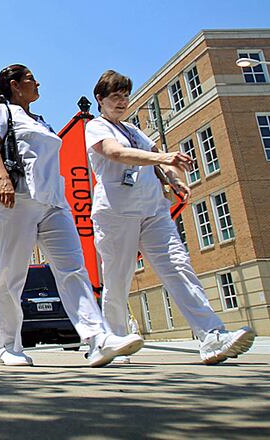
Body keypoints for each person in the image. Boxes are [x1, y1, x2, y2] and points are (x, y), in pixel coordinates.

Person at [85, 69, 255, 364]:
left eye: (125, 96)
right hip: (117, 212)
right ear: (100, 99)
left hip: (153, 210)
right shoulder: (97, 128)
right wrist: (164, 159)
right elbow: (115, 154)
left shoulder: (134, 131)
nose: (122, 102)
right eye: (115, 96)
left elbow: (159, 159)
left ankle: (211, 336)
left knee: (178, 266)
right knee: (118, 278)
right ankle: (110, 341)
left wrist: (173, 179)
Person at [0, 64, 145, 367]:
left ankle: (97, 340)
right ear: (16, 85)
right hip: (17, 199)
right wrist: (3, 178)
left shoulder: (40, 120)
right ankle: (8, 345)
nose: (38, 82)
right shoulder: (2, 112)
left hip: (54, 203)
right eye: (32, 78)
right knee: (12, 274)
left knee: (73, 269)